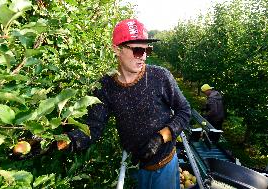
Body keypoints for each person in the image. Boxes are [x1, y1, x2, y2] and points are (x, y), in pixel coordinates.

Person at [58, 18, 191, 189]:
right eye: (137, 50)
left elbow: (184, 110)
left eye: (147, 50)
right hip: (134, 167)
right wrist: (57, 143)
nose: (143, 56)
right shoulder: (106, 86)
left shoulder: (160, 77)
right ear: (117, 50)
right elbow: (93, 128)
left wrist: (161, 136)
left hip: (165, 166)